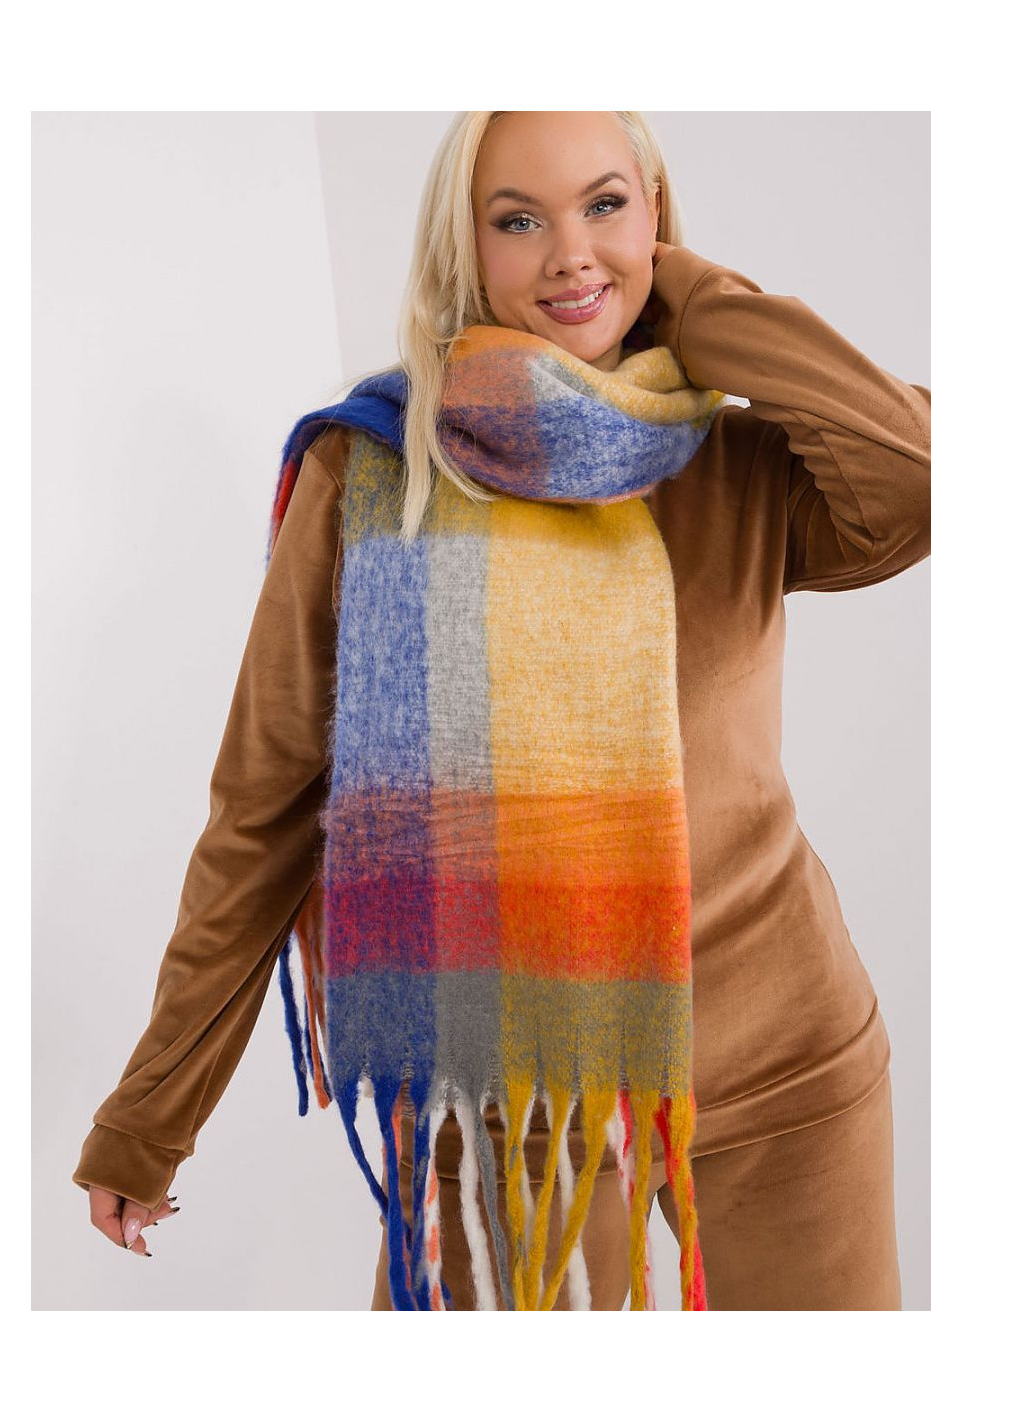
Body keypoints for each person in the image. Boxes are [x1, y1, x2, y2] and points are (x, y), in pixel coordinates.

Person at [73, 111, 929, 1310]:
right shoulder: (374, 473)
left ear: (655, 211)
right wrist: (149, 1116)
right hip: (510, 1110)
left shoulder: (733, 465)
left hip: (784, 1067)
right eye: (517, 220)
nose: (570, 253)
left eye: (605, 205)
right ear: (465, 246)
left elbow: (924, 476)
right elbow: (266, 810)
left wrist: (694, 298)